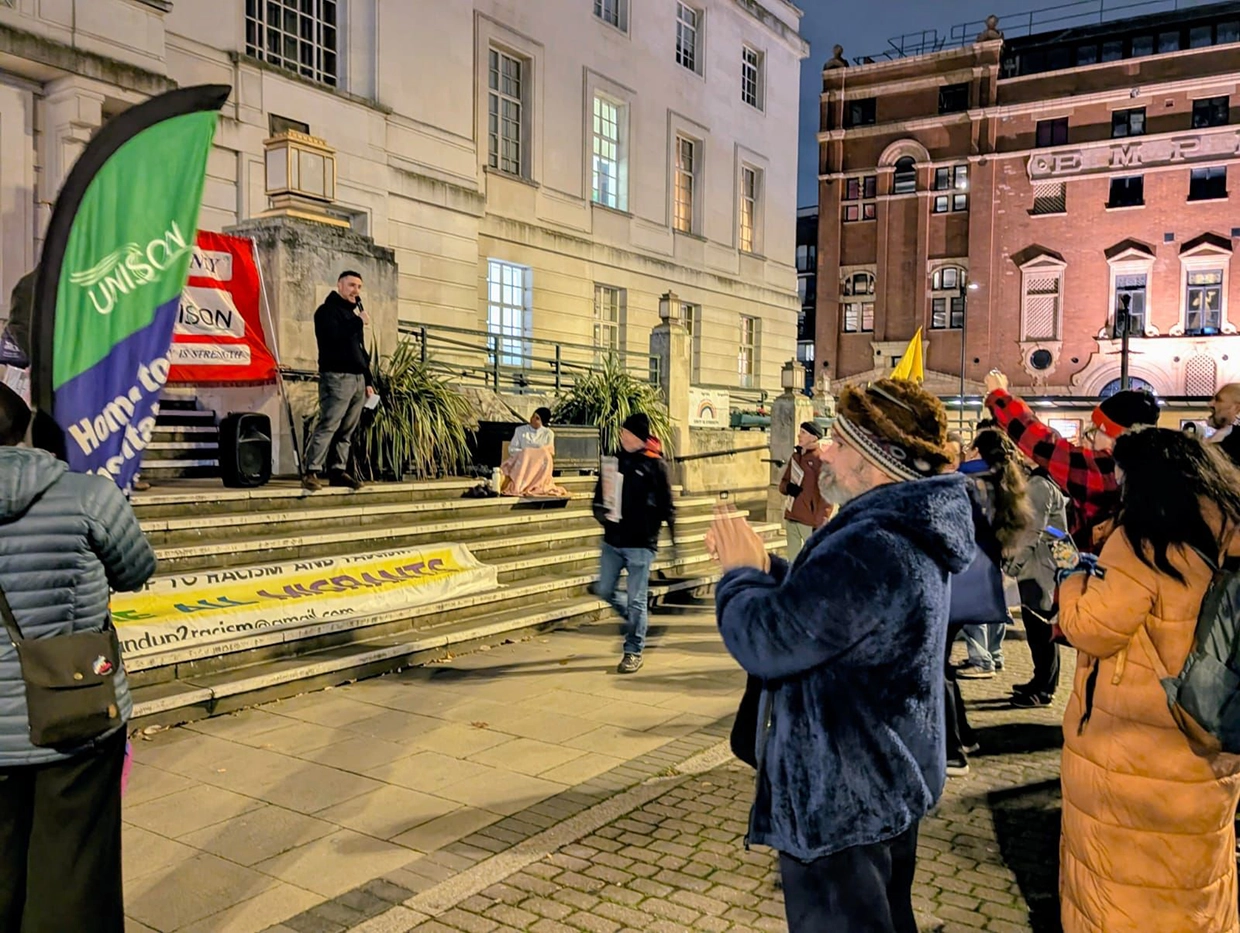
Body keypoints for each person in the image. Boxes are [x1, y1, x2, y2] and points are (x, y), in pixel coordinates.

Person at [709, 378, 975, 933]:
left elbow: (770, 641)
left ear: (874, 461)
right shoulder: (900, 527)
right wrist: (769, 571)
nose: (824, 450)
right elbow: (835, 615)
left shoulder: (874, 543)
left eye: (840, 441)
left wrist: (737, 578)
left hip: (843, 797)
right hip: (880, 783)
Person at [1057, 428, 1240, 933]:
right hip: (1212, 735)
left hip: (1136, 750)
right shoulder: (1229, 526)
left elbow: (1092, 630)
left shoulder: (1143, 542)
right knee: (1193, 881)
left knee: (1123, 889)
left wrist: (1072, 583)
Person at [0, 382, 156, 931]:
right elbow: (137, 570)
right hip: (78, 715)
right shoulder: (89, 495)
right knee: (74, 879)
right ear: (27, 431)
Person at [983, 369, 1160, 552]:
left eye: (1094, 432)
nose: (1088, 440)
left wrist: (999, 397)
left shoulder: (1107, 470)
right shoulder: (1153, 472)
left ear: (1115, 437)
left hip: (1105, 569)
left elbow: (1044, 446)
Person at [592, 413, 677, 674]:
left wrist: (674, 539)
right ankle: (633, 619)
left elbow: (667, 505)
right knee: (604, 589)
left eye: (625, 433)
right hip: (613, 540)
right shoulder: (613, 460)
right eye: (621, 432)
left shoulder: (655, 465)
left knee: (637, 600)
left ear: (637, 437)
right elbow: (598, 496)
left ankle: (633, 651)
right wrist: (600, 513)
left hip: (641, 544)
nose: (621, 436)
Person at [955, 429, 1033, 680]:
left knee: (971, 604)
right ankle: (995, 654)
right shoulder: (1004, 478)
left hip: (973, 547)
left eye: (969, 446)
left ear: (977, 450)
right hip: (997, 547)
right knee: (995, 601)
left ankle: (981, 659)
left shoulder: (966, 478)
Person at [1005, 457, 1070, 709]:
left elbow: (1031, 532)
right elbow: (1053, 530)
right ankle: (1042, 681)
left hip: (1038, 568)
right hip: (1044, 565)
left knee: (1040, 629)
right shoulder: (1047, 483)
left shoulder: (1039, 486)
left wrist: (1012, 566)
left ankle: (1043, 689)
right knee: (1040, 629)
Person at [303, 270, 374, 492]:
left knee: (347, 429)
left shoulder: (353, 317)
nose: (356, 291)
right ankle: (311, 470)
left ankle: (338, 470)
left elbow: (360, 351)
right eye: (352, 285)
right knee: (329, 423)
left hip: (357, 379)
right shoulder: (326, 312)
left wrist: (368, 380)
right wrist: (358, 323)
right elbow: (333, 337)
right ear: (340, 286)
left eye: (359, 287)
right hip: (336, 377)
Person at [777, 421, 830, 560]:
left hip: (810, 522)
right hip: (791, 516)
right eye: (800, 432)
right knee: (792, 560)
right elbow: (782, 483)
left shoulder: (821, 460)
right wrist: (787, 488)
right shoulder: (795, 457)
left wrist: (820, 523)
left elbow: (827, 496)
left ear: (814, 437)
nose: (799, 435)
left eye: (803, 433)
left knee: (811, 561)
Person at [499, 408, 568, 498]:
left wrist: (534, 455)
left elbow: (549, 451)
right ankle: (521, 484)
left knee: (545, 455)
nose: (533, 419)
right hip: (522, 462)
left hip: (539, 465)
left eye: (537, 418)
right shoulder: (520, 430)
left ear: (542, 421)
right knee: (526, 454)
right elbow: (512, 449)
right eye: (533, 416)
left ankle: (537, 483)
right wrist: (526, 454)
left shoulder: (548, 433)